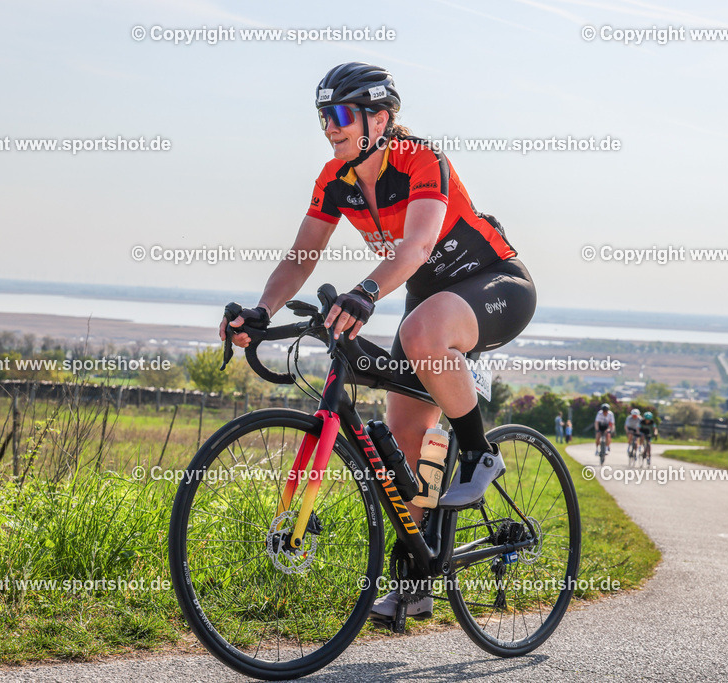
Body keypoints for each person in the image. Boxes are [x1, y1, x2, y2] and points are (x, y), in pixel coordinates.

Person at [219, 63, 536, 624]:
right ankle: (416, 580)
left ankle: (480, 451)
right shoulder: (335, 178)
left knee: (418, 333)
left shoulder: (419, 158)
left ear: (380, 117)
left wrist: (365, 293)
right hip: (432, 301)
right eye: (323, 116)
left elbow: (415, 248)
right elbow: (302, 256)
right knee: (405, 434)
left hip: (494, 283)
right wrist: (261, 312)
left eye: (340, 115)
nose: (330, 127)